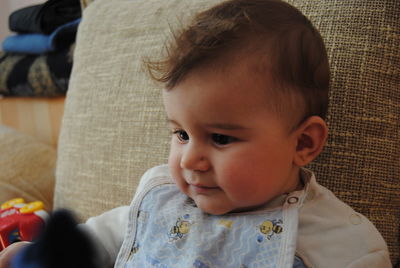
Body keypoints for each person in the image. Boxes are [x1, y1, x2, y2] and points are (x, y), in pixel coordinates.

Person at [0, 0, 391, 267]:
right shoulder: (161, 195)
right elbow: (101, 241)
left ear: (304, 143)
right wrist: (39, 253)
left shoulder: (345, 245)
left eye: (220, 138)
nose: (189, 160)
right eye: (181, 134)